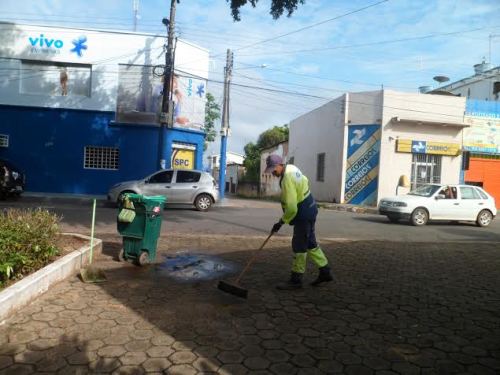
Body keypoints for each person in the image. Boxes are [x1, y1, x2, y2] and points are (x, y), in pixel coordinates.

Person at [266, 154, 333, 290]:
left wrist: (281, 222)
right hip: (311, 207)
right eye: (271, 170)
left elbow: (291, 208)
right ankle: (325, 271)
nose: (273, 172)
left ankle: (296, 279)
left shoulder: (287, 179)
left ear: (280, 165)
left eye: (274, 169)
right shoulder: (292, 168)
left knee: (299, 245)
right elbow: (305, 180)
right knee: (310, 243)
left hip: (303, 213)